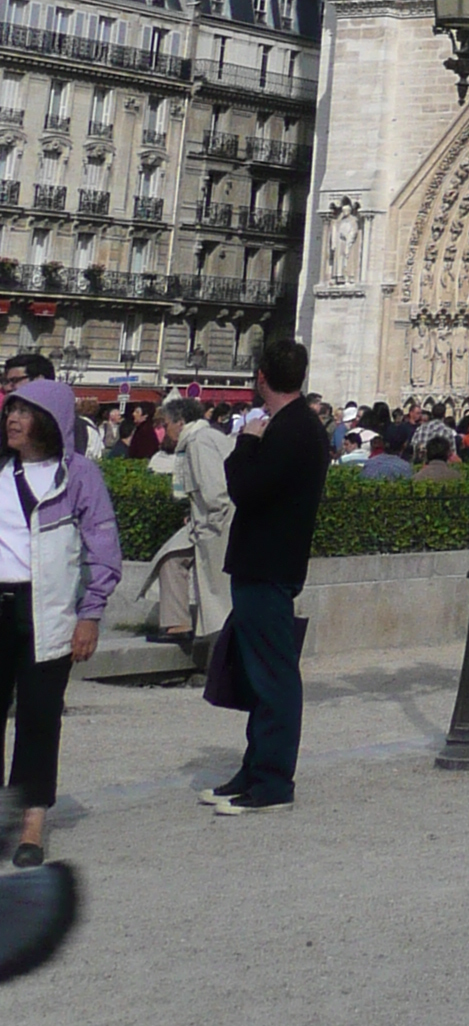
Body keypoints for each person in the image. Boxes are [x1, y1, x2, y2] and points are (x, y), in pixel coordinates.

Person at [0, 375, 122, 866]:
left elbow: (103, 550)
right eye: (10, 410)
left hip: (47, 611)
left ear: (49, 423)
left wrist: (90, 614)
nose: (13, 419)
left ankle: (31, 826)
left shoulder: (77, 477)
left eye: (24, 412)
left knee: (38, 718)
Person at [209, 337, 332, 815]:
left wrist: (245, 442)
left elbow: (244, 488)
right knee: (259, 673)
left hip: (267, 565)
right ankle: (256, 767)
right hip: (267, 563)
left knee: (273, 677)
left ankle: (273, 781)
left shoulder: (288, 430)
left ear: (261, 377)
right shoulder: (302, 425)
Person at [151, 393, 233, 647]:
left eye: (165, 425)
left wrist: (209, 525)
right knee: (170, 558)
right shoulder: (206, 437)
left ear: (180, 422)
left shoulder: (199, 442)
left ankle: (185, 628)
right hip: (207, 521)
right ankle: (177, 624)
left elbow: (214, 491)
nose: (164, 432)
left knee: (218, 594)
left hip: (214, 524)